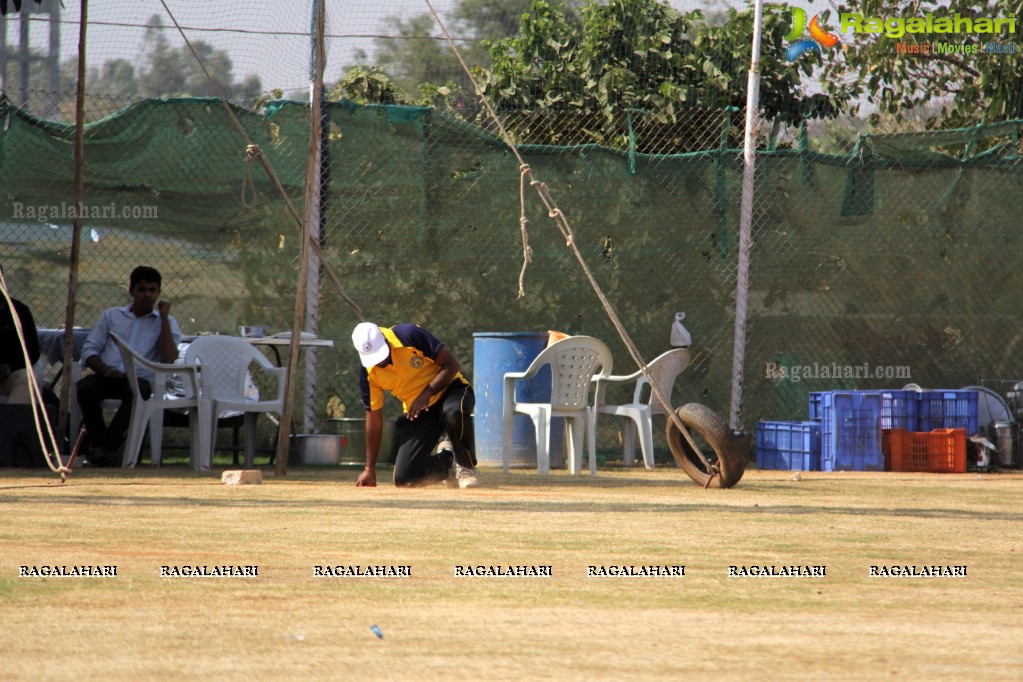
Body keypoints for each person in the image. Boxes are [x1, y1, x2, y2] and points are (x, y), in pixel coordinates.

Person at [352, 322, 479, 489]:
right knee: (405, 479)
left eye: (380, 354)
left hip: (451, 390)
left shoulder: (408, 335)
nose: (380, 362)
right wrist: (369, 468)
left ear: (384, 339)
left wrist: (426, 394)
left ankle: (465, 466)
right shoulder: (368, 373)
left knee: (454, 413)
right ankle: (448, 462)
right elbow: (374, 419)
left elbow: (451, 365)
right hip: (420, 410)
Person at [77, 266, 181, 466]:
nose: (147, 295)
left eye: (152, 290)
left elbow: (169, 358)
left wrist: (165, 318)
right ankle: (104, 446)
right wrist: (106, 370)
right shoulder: (112, 316)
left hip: (138, 381)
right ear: (131, 290)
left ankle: (105, 447)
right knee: (85, 388)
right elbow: (89, 351)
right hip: (107, 375)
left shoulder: (165, 321)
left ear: (159, 292)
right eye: (142, 289)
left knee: (138, 390)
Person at [0, 264, 41, 405]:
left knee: (27, 379)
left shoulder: (19, 311)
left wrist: (8, 368)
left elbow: (32, 351)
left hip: (9, 374)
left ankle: (11, 424)